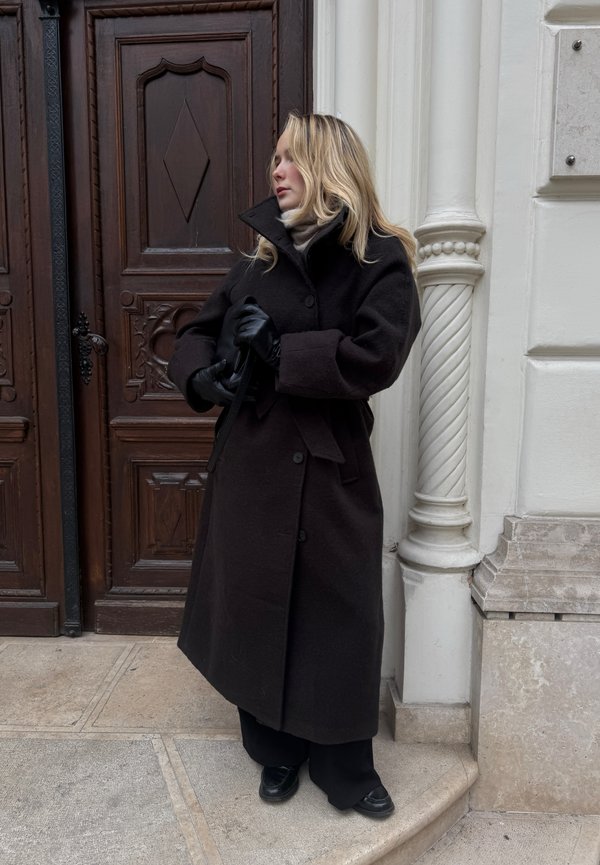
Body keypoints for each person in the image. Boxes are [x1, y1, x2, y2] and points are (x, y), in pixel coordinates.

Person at [168, 112, 421, 818]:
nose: (276, 169)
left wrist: (285, 353)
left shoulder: (381, 258)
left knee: (341, 614)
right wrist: (206, 377)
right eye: (275, 158)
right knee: (256, 606)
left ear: (328, 164)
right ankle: (274, 750)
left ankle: (345, 764)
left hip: (330, 469)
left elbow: (378, 355)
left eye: (290, 157)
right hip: (252, 464)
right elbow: (196, 332)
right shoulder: (260, 258)